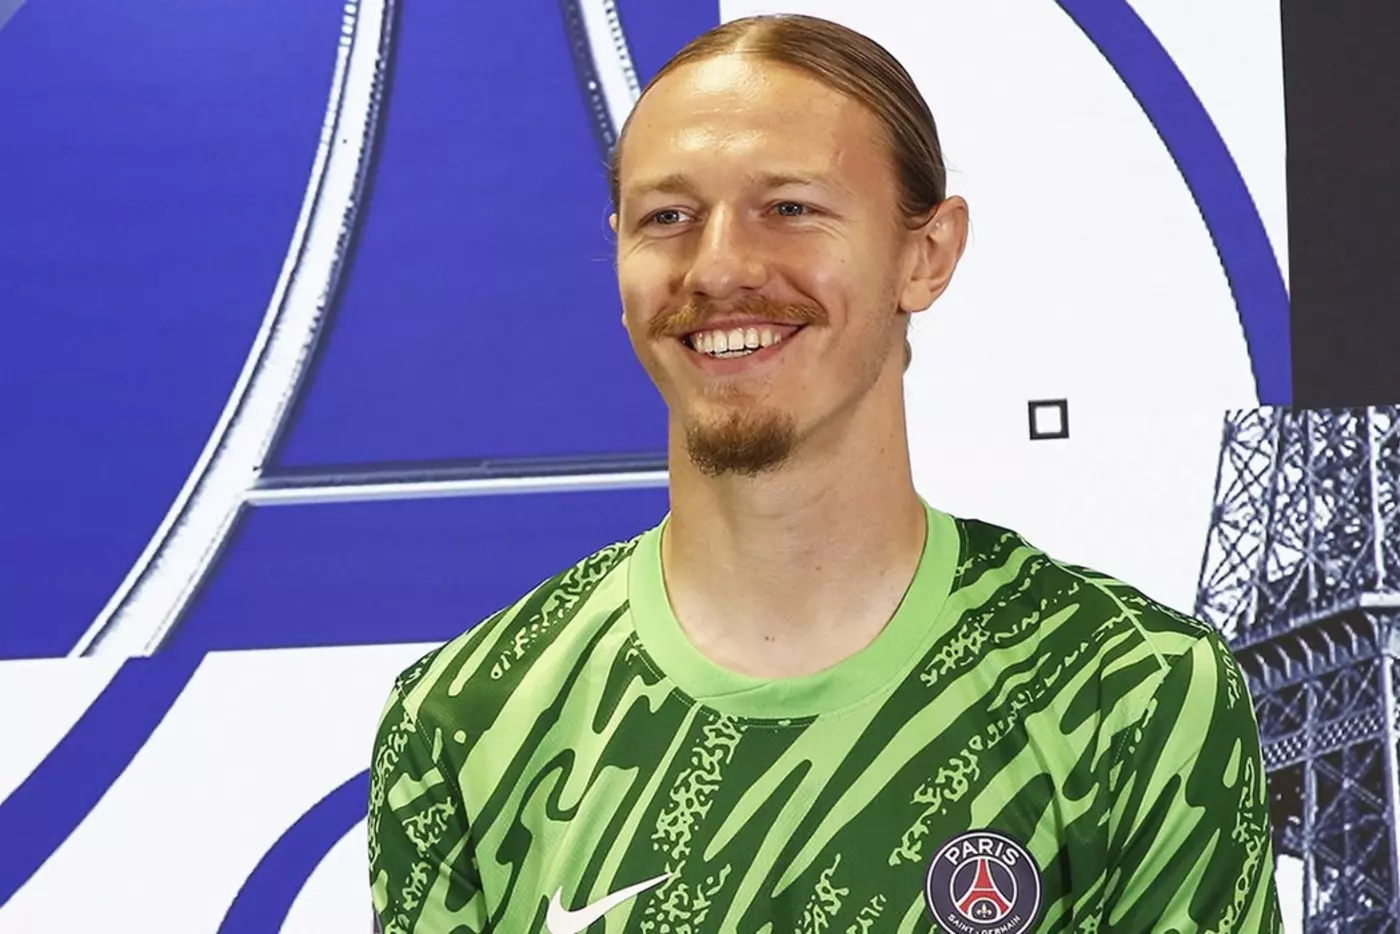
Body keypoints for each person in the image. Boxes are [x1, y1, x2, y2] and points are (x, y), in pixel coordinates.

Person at [367, 13, 1282, 933]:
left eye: (790, 208)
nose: (718, 267)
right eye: (668, 217)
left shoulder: (1133, 691)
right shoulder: (468, 719)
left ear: (927, 255)